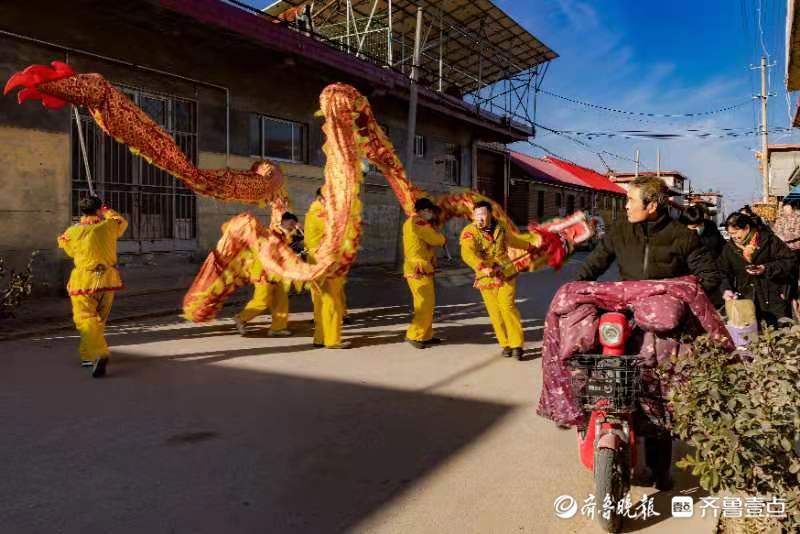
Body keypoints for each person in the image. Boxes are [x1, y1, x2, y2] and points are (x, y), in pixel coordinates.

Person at [576, 176, 721, 296]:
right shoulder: (620, 230)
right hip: (628, 306)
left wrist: (681, 299)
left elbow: (710, 276)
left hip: (668, 315)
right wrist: (573, 289)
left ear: (651, 206)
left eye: (631, 200)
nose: (626, 206)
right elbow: (593, 265)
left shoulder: (683, 236)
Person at [57, 196, 128, 378]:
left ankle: (97, 353)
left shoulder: (73, 231)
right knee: (99, 320)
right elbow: (122, 222)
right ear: (98, 210)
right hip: (107, 280)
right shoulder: (109, 227)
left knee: (85, 319)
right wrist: (106, 209)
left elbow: (68, 247)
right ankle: (88, 354)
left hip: (83, 280)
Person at [459, 200, 530, 360]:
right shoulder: (469, 232)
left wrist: (529, 246)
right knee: (495, 312)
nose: (480, 218)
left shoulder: (501, 227)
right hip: (486, 277)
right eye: (476, 215)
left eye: (483, 214)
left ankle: (516, 345)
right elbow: (467, 253)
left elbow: (512, 241)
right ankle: (505, 343)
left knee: (507, 306)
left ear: (490, 214)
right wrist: (482, 267)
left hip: (505, 272)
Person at [720, 212, 797, 326]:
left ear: (746, 228)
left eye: (736, 233)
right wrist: (726, 289)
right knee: (750, 337)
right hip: (746, 300)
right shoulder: (729, 249)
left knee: (780, 334)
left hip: (774, 297)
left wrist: (765, 268)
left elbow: (790, 261)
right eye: (730, 233)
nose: (733, 237)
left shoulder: (769, 241)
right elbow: (723, 272)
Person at [233, 212, 300, 337]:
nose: (292, 226)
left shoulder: (286, 236)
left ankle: (278, 328)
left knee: (281, 300)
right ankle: (241, 318)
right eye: (291, 223)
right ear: (283, 222)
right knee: (262, 300)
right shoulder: (272, 234)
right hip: (265, 272)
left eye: (294, 224)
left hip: (279, 273)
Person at [305, 188, 349, 349]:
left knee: (320, 303)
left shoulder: (314, 213)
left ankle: (320, 338)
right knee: (332, 302)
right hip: (325, 263)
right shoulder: (319, 214)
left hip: (318, 262)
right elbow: (338, 230)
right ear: (321, 199)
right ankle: (332, 340)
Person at [403, 198, 446, 349]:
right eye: (429, 211)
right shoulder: (418, 222)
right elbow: (434, 239)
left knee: (428, 303)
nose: (431, 214)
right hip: (417, 268)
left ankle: (425, 335)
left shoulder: (416, 222)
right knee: (424, 304)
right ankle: (414, 334)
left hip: (422, 267)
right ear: (422, 211)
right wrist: (441, 238)